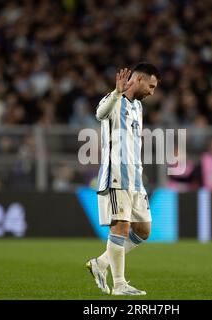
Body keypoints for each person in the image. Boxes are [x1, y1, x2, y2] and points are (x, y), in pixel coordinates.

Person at [86, 63, 159, 296]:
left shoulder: (138, 107)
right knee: (120, 227)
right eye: (151, 85)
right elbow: (99, 113)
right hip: (117, 176)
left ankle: (101, 263)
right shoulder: (114, 99)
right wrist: (116, 93)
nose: (152, 91)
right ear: (138, 80)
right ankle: (119, 285)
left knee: (144, 229)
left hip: (136, 179)